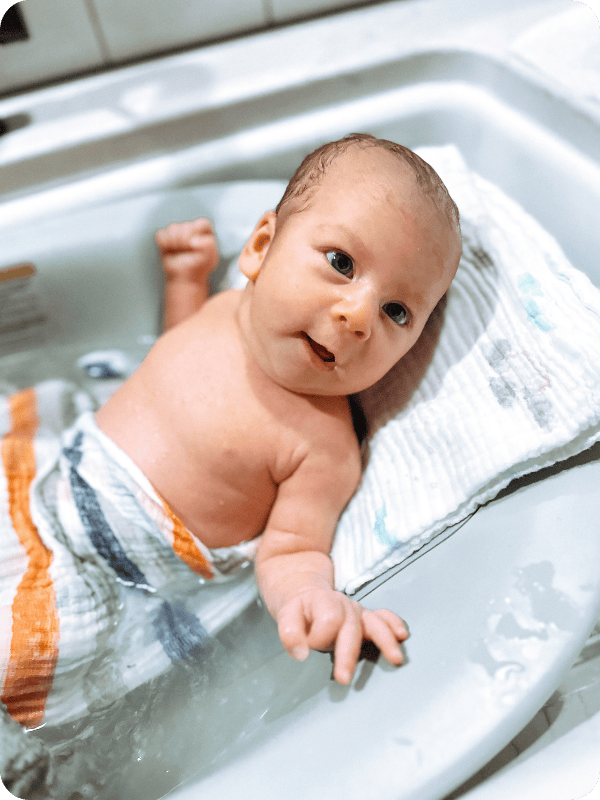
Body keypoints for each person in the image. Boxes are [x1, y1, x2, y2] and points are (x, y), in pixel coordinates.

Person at [95, 133, 462, 685]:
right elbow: (175, 356)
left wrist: (315, 601)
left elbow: (290, 552)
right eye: (341, 262)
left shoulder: (324, 446)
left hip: (117, 579)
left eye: (397, 311)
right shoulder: (223, 307)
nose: (360, 315)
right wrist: (185, 280)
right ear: (261, 247)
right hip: (50, 488)